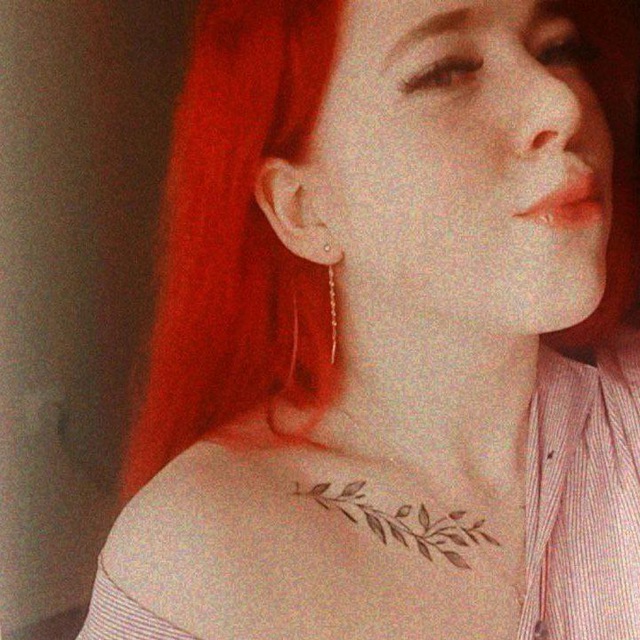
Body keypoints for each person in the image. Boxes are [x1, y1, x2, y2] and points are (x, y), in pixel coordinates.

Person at [76, 0, 640, 638]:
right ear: (304, 210)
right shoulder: (199, 557)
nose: (562, 105)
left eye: (559, 50)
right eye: (446, 71)